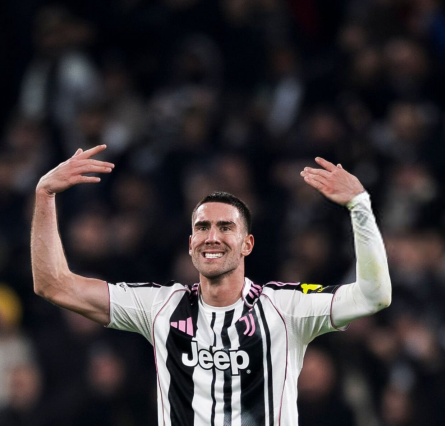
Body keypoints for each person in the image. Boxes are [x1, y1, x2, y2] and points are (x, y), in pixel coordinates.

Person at [30, 144, 392, 425]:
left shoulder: (286, 306)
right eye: (202, 227)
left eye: (225, 227)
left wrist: (359, 206)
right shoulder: (160, 305)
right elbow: (54, 285)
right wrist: (45, 196)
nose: (212, 237)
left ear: (247, 244)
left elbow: (373, 296)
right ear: (191, 245)